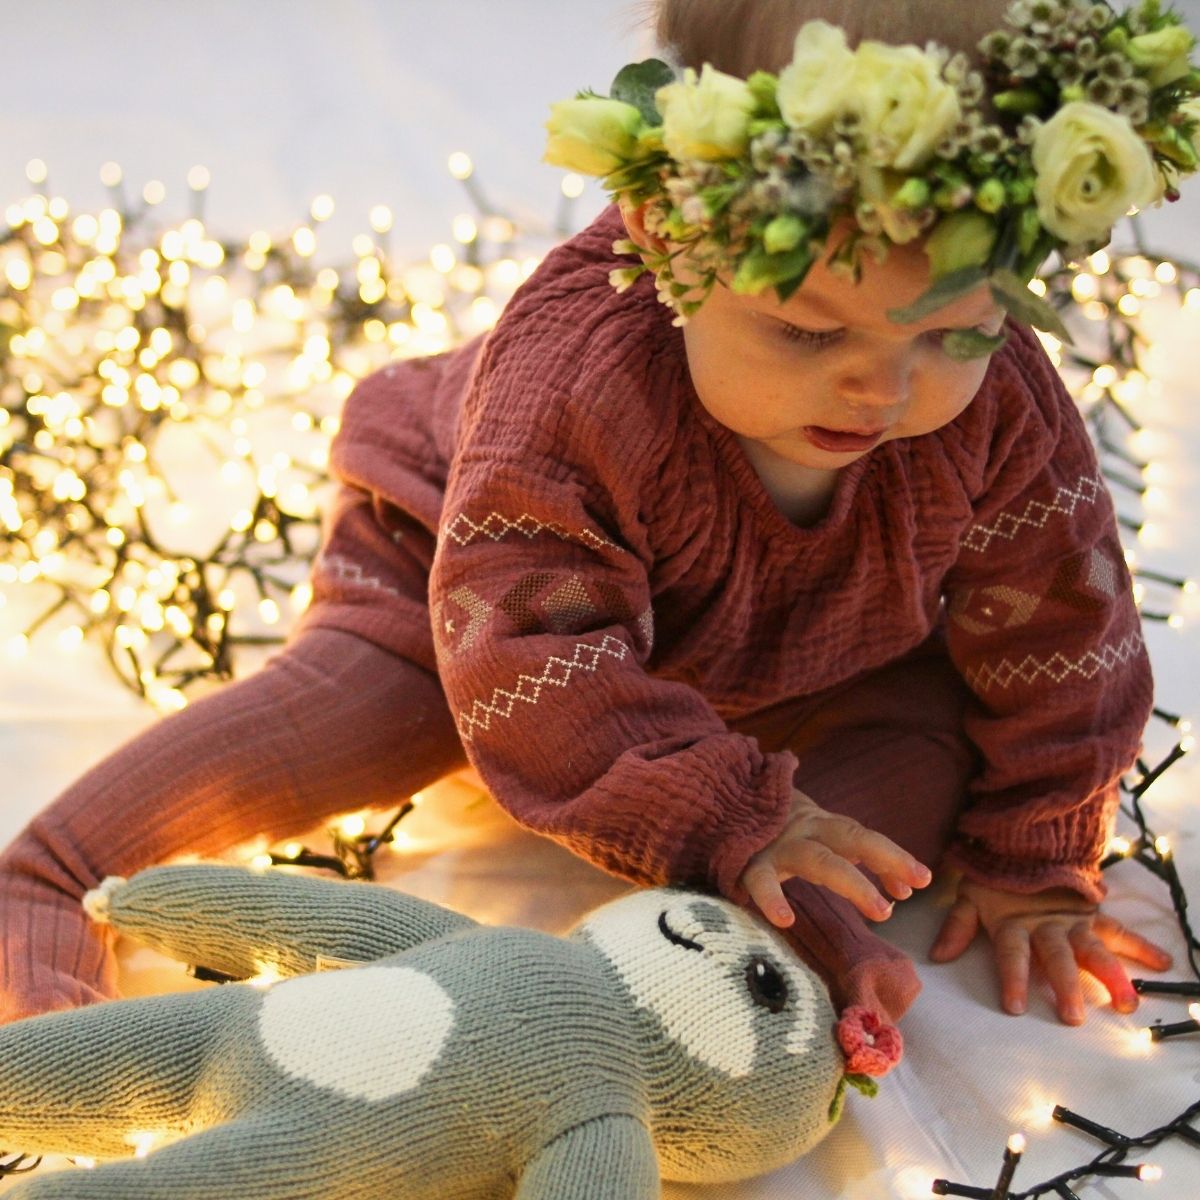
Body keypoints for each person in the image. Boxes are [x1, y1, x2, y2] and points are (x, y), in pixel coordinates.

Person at [0, 0, 1186, 1048]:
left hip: (812, 643)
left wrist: (1037, 855)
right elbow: (533, 663)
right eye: (810, 335)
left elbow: (1065, 626)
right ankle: (53, 871)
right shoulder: (580, 377)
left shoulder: (1002, 400)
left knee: (926, 756)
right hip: (477, 602)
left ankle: (751, 960)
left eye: (952, 335)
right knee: (360, 711)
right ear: (671, 236)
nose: (881, 392)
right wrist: (730, 809)